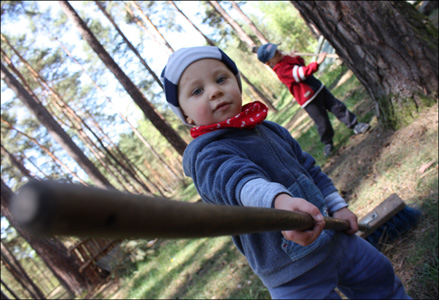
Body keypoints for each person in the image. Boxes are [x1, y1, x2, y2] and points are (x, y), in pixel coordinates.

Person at [161, 46, 410, 299]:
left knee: (381, 280)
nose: (215, 91)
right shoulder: (207, 155)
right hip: (293, 273)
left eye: (221, 79)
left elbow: (309, 169)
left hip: (335, 238)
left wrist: (337, 205)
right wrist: (279, 201)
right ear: (186, 116)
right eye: (197, 91)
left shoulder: (271, 130)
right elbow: (238, 181)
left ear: (237, 83)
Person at [257, 43, 370, 157]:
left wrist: (294, 57)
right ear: (269, 63)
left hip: (318, 88)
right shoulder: (281, 71)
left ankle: (355, 125)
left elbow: (300, 64)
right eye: (275, 53)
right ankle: (328, 143)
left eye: (277, 49)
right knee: (322, 122)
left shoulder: (285, 60)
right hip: (308, 99)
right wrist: (317, 63)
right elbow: (301, 73)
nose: (279, 52)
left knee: (337, 107)